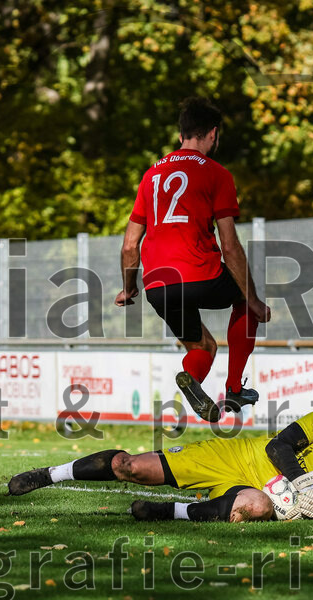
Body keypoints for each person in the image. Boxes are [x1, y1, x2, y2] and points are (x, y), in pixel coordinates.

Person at [116, 97, 270, 422]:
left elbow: (130, 245)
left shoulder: (150, 176)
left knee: (202, 347)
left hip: (157, 284)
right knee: (245, 299)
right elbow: (230, 245)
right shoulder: (216, 174)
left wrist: (128, 288)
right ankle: (234, 388)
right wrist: (254, 299)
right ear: (213, 134)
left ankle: (191, 377)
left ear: (180, 134)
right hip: (200, 274)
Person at [8, 408, 313, 523]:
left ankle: (167, 512)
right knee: (128, 466)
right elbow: (279, 447)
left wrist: (312, 507)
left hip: (257, 493)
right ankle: (49, 475)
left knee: (255, 507)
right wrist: (303, 484)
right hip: (234, 458)